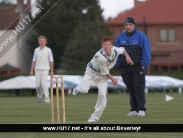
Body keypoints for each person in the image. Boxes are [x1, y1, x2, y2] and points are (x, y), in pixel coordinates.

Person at [72, 36, 134, 122]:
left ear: (112, 46)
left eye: (109, 44)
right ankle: (77, 89)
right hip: (91, 73)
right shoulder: (99, 57)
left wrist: (128, 57)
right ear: (102, 46)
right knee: (83, 90)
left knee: (102, 96)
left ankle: (94, 117)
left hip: (102, 77)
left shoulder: (115, 50)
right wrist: (113, 79)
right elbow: (105, 72)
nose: (107, 46)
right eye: (105, 45)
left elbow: (123, 50)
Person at [114, 17, 151, 116]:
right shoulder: (120, 38)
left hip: (138, 67)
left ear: (134, 25)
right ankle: (134, 109)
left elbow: (146, 52)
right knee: (131, 88)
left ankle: (141, 109)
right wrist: (118, 64)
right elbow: (115, 52)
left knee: (138, 88)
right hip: (125, 68)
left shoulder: (141, 36)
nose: (128, 27)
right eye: (126, 25)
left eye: (130, 25)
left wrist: (143, 65)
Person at [30, 35, 54, 104]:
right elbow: (33, 61)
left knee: (44, 84)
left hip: (45, 69)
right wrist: (31, 70)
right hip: (37, 69)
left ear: (45, 42)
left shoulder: (48, 50)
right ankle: (40, 95)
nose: (42, 42)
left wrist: (51, 71)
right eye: (40, 41)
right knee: (37, 86)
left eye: (43, 41)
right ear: (38, 42)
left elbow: (51, 61)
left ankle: (47, 99)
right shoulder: (36, 50)